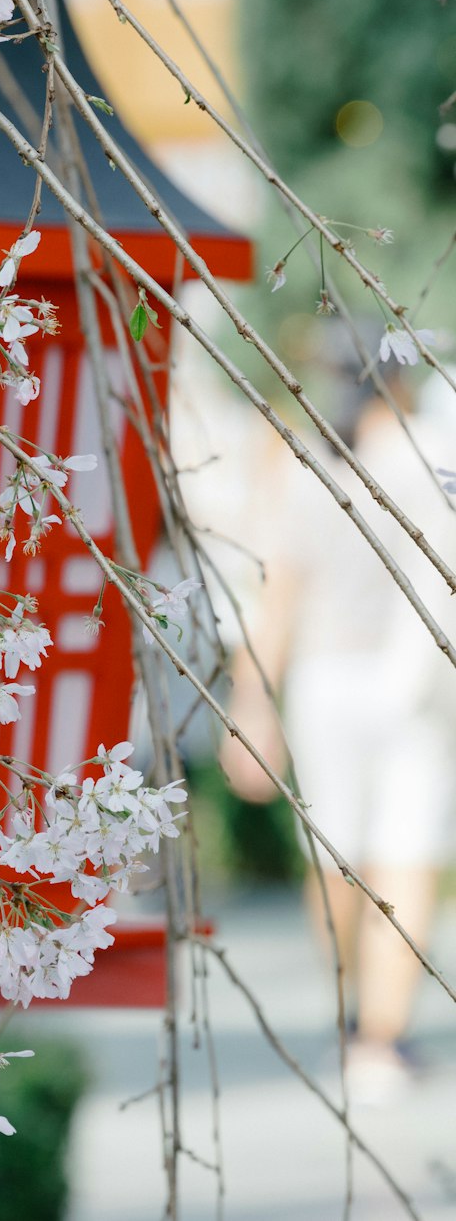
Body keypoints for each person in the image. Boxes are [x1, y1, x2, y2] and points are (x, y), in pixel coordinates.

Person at [223, 365, 456, 1102]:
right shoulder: (431, 460)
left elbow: (279, 592)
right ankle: (383, 1037)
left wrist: (252, 702)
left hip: (325, 683)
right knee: (407, 856)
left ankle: (357, 1025)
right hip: (415, 683)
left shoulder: (312, 470)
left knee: (338, 859)